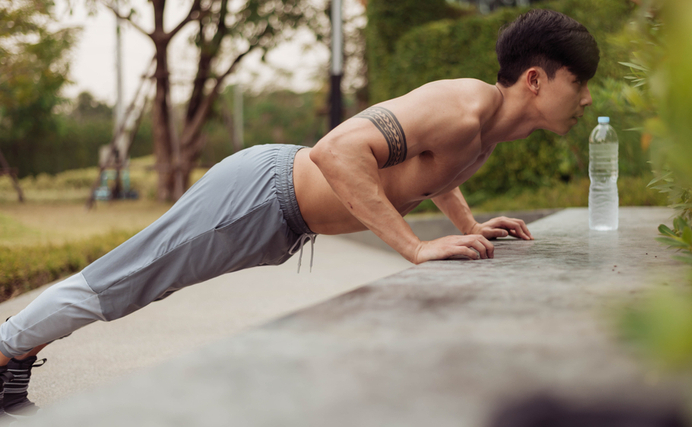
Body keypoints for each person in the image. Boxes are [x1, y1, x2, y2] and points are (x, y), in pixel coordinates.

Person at [0, 8, 597, 416]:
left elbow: (433, 172)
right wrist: (415, 247)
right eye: (581, 81)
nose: (588, 96)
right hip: (261, 196)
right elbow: (336, 150)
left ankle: (13, 352)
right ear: (538, 80)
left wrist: (468, 227)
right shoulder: (461, 108)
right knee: (125, 283)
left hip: (279, 215)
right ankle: (8, 345)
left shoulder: (485, 133)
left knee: (134, 283)